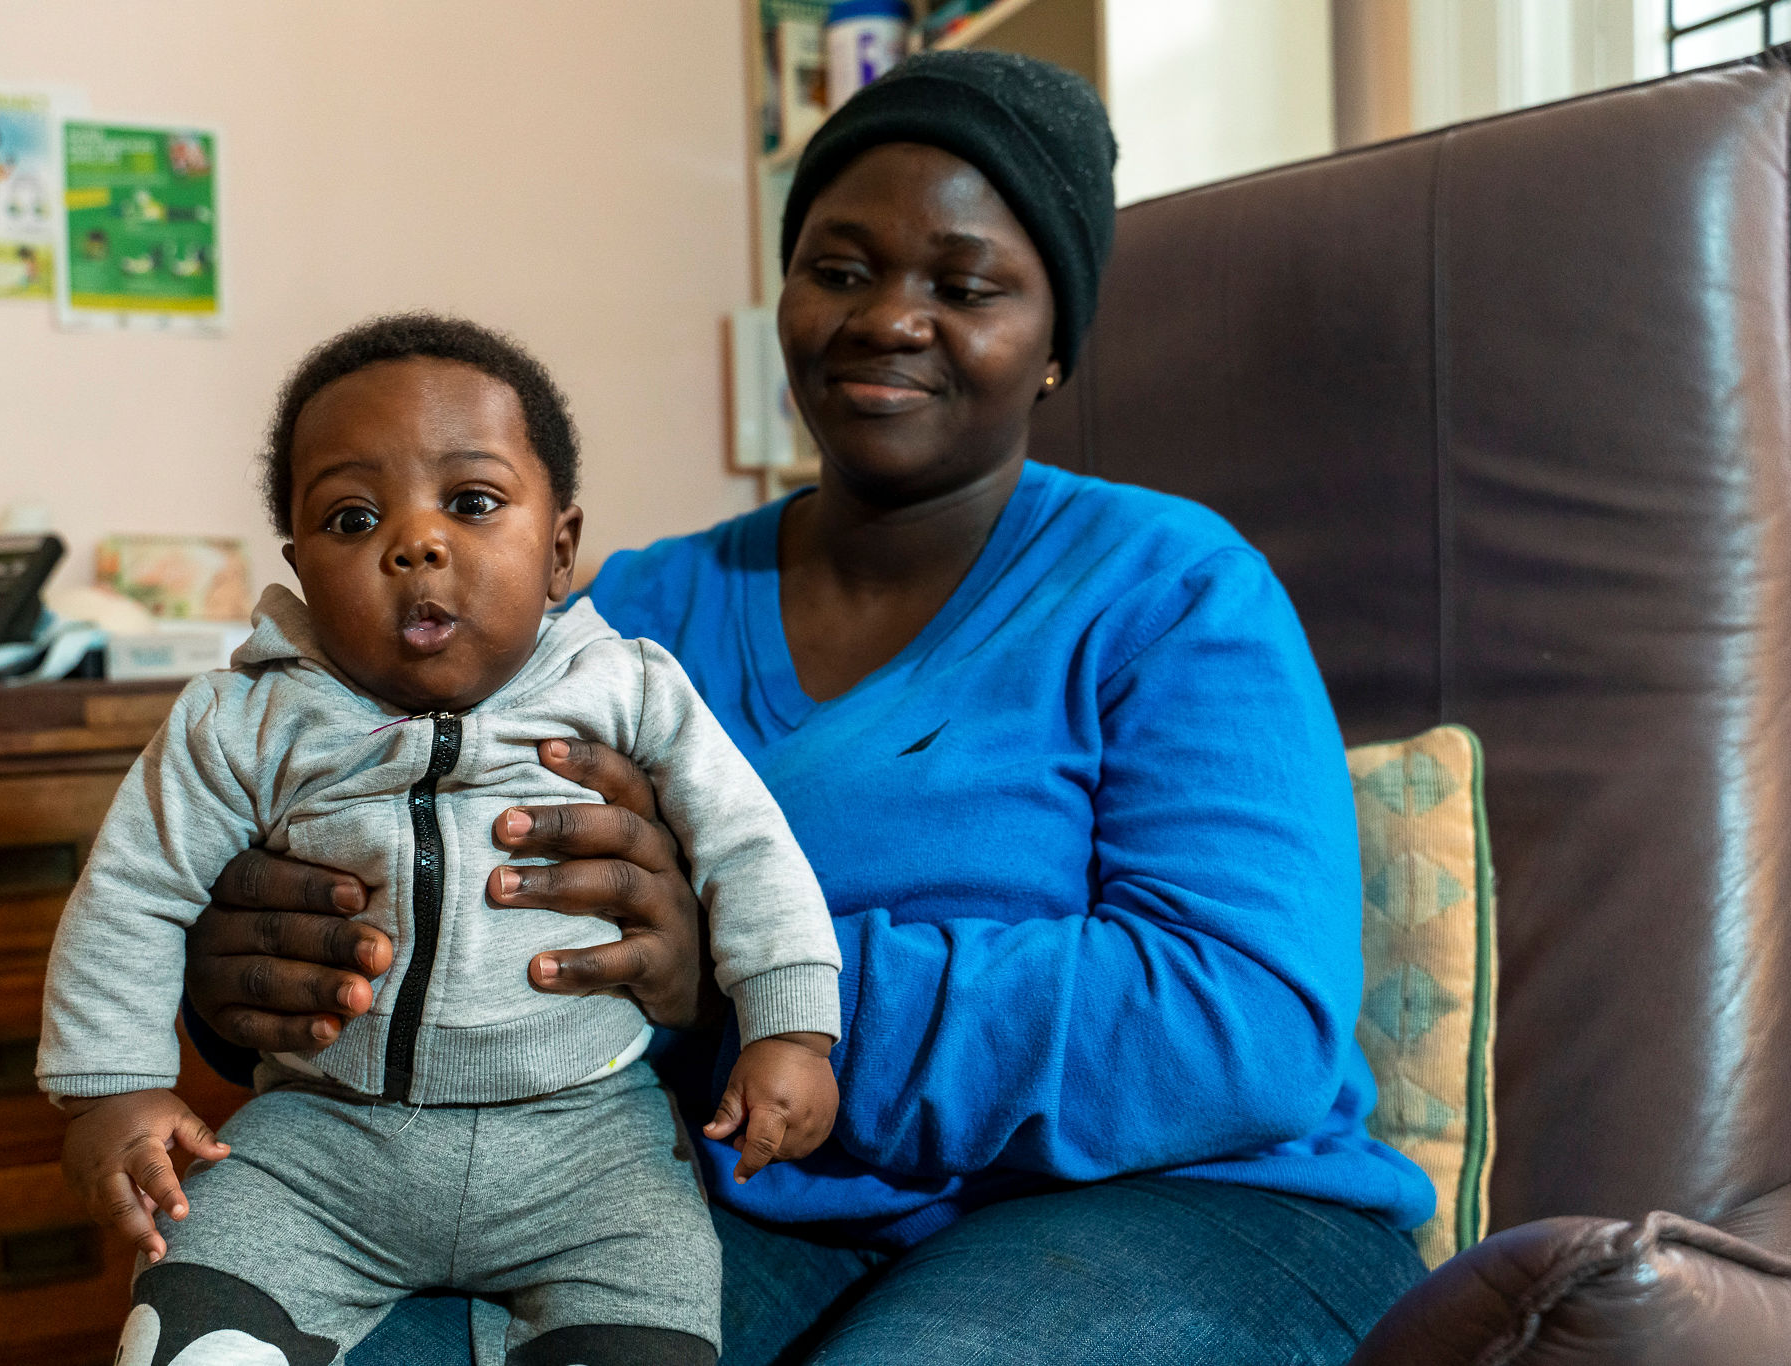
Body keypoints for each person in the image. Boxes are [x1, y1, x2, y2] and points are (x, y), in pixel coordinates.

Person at [172, 51, 1437, 1365]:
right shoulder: (635, 610)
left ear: (1057, 339)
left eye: (965, 284)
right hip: (747, 1196)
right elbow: (428, 864)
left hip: (1195, 1200)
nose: (890, 317)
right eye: (840, 268)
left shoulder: (1171, 588)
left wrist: (740, 989)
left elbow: (1247, 1022)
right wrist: (255, 975)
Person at [39, 314, 843, 1366]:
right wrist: (111, 1085)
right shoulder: (241, 717)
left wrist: (791, 1023)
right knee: (185, 1322)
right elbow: (135, 891)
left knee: (659, 1306)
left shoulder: (630, 687)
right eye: (352, 516)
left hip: (589, 1146)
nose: (414, 542)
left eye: (470, 503)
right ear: (299, 568)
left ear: (558, 549)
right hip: (322, 1140)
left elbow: (748, 847)